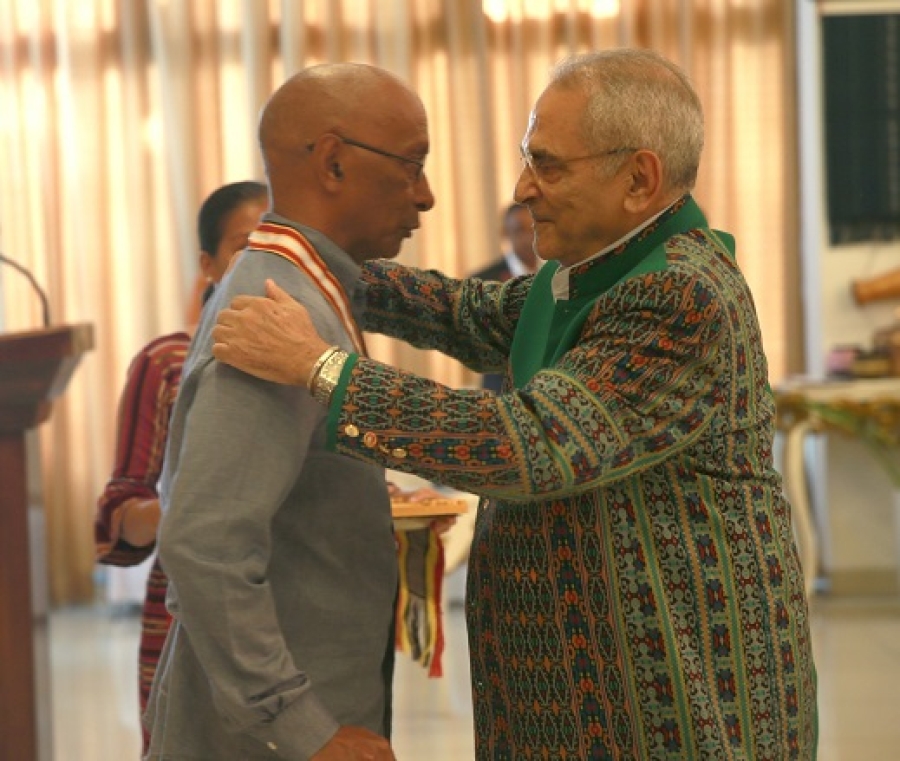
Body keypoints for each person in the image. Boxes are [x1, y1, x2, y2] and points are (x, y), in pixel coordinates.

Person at [211, 49, 818, 759]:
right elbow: (466, 312)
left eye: (549, 165)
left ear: (639, 179)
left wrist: (319, 367)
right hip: (576, 697)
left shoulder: (679, 295)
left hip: (669, 705)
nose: (525, 188)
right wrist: (323, 263)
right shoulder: (587, 275)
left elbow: (526, 444)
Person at [144, 63, 434, 761]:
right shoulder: (277, 309)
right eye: (412, 166)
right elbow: (204, 542)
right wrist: (305, 727)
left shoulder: (307, 285)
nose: (425, 196)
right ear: (333, 161)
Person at [94, 180, 268, 754]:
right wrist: (192, 509)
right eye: (247, 243)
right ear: (208, 263)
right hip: (186, 615)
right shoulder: (167, 362)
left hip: (292, 608)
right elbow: (120, 507)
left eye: (281, 243)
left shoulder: (323, 362)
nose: (267, 259)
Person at [469, 202, 539, 391]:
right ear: (505, 233)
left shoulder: (556, 275)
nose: (528, 237)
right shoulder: (483, 281)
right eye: (519, 230)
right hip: (501, 390)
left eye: (533, 229)